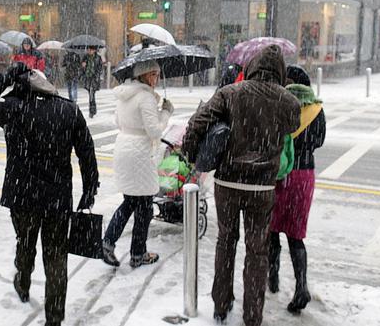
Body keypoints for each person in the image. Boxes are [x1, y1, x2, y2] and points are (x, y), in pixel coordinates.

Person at [182, 45, 300, 326]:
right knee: (257, 250)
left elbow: (198, 121)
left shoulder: (230, 93)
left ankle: (221, 304)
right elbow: (291, 127)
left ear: (252, 66)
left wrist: (189, 152)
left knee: (226, 241)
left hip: (228, 181)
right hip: (262, 188)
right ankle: (252, 314)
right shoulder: (288, 101)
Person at [0, 63, 99, 326]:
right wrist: (90, 188)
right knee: (56, 257)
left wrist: (9, 73)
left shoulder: (14, 109)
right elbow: (87, 152)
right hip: (57, 196)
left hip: (22, 194)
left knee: (25, 241)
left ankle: (23, 279)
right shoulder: (68, 110)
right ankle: (54, 317)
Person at [102, 61, 173, 268]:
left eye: (158, 75)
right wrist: (166, 112)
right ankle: (137, 253)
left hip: (124, 148)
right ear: (143, 76)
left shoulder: (126, 94)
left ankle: (110, 242)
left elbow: (118, 121)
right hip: (140, 153)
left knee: (130, 202)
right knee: (143, 207)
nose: (156, 79)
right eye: (153, 74)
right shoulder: (145, 97)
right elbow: (155, 131)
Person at [269, 65, 326, 314]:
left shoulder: (281, 105)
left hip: (280, 174)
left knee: (272, 228)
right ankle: (301, 285)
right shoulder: (316, 109)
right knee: (295, 235)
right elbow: (319, 141)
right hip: (304, 176)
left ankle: (272, 276)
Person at [80, 47, 103, 118]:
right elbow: (82, 68)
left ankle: (92, 111)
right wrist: (83, 66)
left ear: (94, 50)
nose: (89, 51)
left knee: (91, 94)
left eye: (91, 50)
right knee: (91, 94)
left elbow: (100, 68)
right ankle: (93, 109)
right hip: (87, 78)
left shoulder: (98, 58)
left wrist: (97, 76)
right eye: (88, 50)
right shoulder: (85, 57)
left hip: (94, 78)